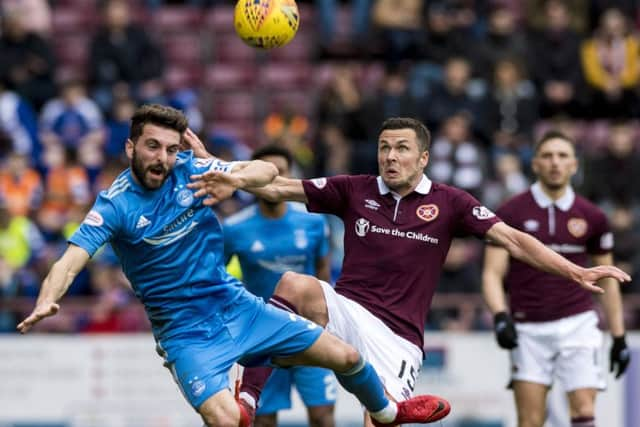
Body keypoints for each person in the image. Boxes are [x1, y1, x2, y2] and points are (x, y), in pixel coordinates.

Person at [16, 105, 450, 427]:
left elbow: (264, 170)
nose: (162, 158)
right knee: (228, 422)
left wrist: (235, 177)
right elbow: (70, 260)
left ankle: (390, 411)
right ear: (131, 147)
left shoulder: (192, 169)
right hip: (184, 331)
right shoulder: (115, 206)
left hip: (236, 304)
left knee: (349, 356)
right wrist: (48, 299)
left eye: (170, 148)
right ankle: (256, 399)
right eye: (152, 146)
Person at [187, 117, 631, 427]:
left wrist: (574, 271)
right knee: (291, 285)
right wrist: (226, 173)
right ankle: (246, 400)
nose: (390, 157)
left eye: (401, 149)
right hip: (347, 312)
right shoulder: (354, 189)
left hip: (398, 339)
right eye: (384, 148)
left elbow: (512, 239)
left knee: (378, 422)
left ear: (422, 158)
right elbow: (281, 186)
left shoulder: (451, 202)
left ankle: (381, 409)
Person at [481, 131, 630, 427]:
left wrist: (618, 336)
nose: (555, 163)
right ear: (535, 163)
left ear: (574, 165)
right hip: (527, 328)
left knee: (584, 410)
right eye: (547, 156)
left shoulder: (593, 216)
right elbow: (492, 273)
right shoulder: (511, 211)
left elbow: (608, 279)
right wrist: (500, 315)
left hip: (578, 324)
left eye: (562, 156)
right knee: (530, 420)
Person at [223, 145, 337, 427]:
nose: (272, 179)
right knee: (262, 420)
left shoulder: (313, 221)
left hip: (309, 333)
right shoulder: (234, 228)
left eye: (281, 172)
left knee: (323, 416)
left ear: (290, 176)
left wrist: (330, 323)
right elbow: (219, 278)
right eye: (266, 172)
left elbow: (323, 273)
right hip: (262, 337)